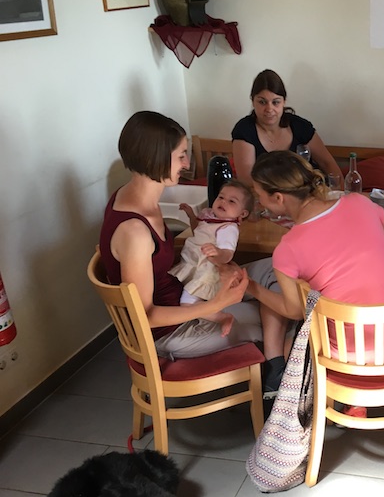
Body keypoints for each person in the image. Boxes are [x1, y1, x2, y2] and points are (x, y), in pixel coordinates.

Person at [99, 111, 287, 365]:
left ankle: (277, 364)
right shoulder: (135, 232)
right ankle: (277, 373)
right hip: (172, 330)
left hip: (185, 292)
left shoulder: (131, 197)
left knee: (276, 271)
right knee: (276, 317)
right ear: (155, 159)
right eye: (181, 156)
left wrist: (214, 267)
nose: (187, 164)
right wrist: (217, 305)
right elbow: (145, 316)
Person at [244, 150, 384, 407]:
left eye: (259, 195)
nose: (259, 202)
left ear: (279, 198)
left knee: (302, 332)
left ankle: (329, 398)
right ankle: (355, 404)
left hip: (349, 354)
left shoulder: (287, 249)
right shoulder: (361, 203)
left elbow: (293, 311)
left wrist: (251, 286)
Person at [169, 180, 254, 337]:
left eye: (231, 201)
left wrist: (217, 252)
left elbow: (227, 255)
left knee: (186, 304)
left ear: (242, 213)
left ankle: (221, 317)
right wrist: (191, 216)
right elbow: (198, 230)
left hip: (205, 270)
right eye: (221, 197)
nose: (223, 202)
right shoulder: (210, 216)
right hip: (193, 263)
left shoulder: (228, 228)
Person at [231, 69, 343, 186]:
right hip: (264, 195)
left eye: (275, 102)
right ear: (253, 101)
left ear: (284, 102)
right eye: (262, 102)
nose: (269, 109)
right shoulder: (244, 130)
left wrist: (340, 193)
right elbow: (247, 180)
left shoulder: (300, 126)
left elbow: (327, 164)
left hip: (309, 192)